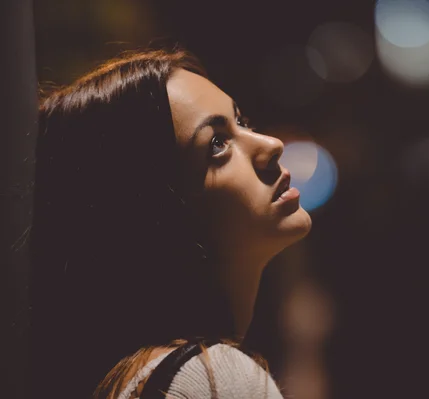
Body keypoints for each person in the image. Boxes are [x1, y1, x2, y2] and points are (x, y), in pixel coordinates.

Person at [29, 47, 312, 398]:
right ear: (153, 214)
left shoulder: (129, 377)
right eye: (217, 145)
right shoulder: (213, 380)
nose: (272, 144)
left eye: (242, 122)